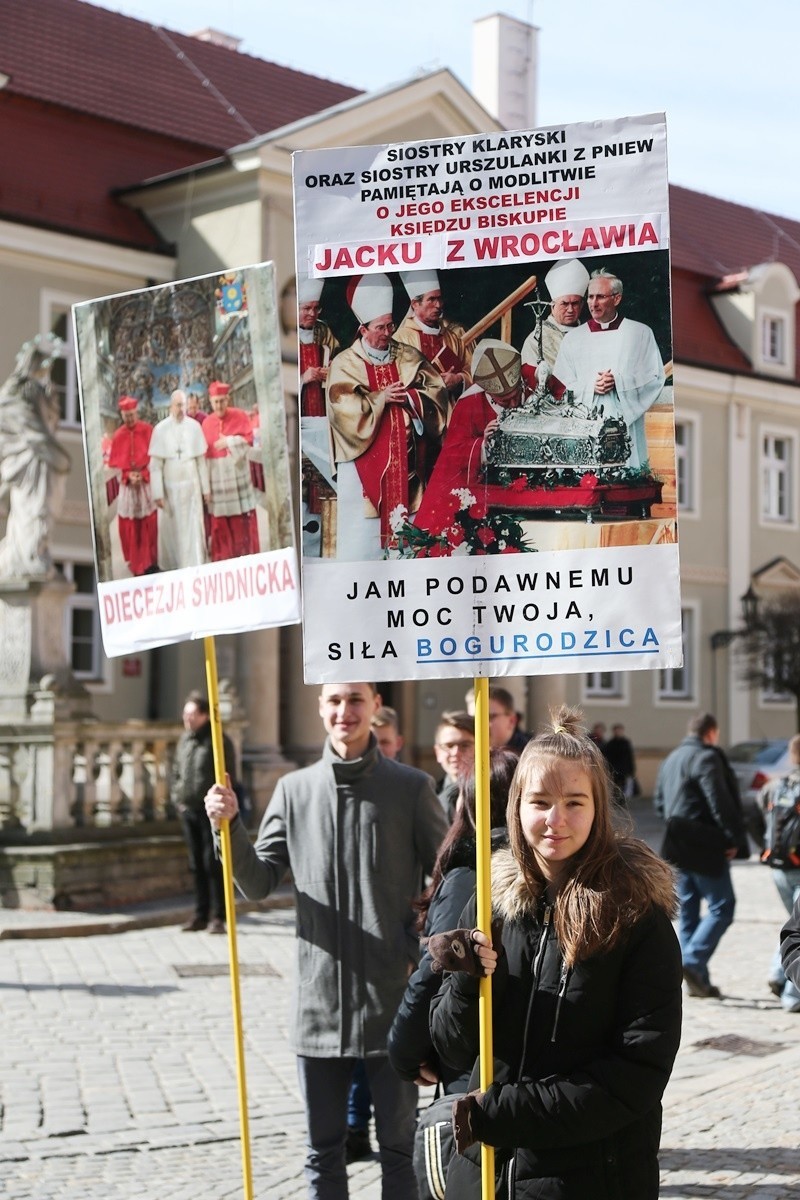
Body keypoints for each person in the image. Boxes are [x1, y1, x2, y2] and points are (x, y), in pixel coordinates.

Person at [204, 681, 448, 1200]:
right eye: (335, 700)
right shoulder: (294, 791)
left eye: (356, 700)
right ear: (320, 707)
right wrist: (227, 829)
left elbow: (448, 879)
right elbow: (258, 881)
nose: (345, 711)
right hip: (319, 1006)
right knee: (323, 1153)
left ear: (376, 708)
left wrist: (418, 949)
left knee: (401, 1151)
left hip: (394, 1004)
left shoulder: (411, 788)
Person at [428, 706, 682, 1200]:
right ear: (517, 806)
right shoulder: (490, 903)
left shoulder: (634, 917)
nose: (555, 820)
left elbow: (636, 1074)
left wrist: (502, 1112)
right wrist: (464, 977)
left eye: (574, 802)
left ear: (598, 809)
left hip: (591, 1178)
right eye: (540, 801)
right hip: (490, 1176)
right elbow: (451, 1050)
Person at [388, 749, 517, 1094]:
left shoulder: (468, 877)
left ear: (471, 804)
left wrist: (404, 1052)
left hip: (473, 1062)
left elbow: (437, 968)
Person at [326, 273, 448, 558]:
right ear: (362, 329)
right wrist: (380, 398)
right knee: (364, 544)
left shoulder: (407, 355)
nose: (387, 333)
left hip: (409, 462)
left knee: (410, 541)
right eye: (380, 327)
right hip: (362, 466)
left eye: (390, 325)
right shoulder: (345, 362)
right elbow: (341, 408)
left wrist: (412, 397)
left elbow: (436, 392)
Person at [654, 711, 748, 998]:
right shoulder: (706, 757)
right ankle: (692, 961)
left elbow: (659, 802)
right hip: (705, 845)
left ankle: (699, 983)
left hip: (676, 844)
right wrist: (734, 839)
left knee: (690, 912)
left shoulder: (671, 759)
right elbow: (719, 801)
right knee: (723, 905)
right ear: (711, 733)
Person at [551, 267, 665, 468]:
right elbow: (559, 386)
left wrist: (618, 382)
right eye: (590, 297)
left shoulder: (640, 333)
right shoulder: (573, 339)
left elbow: (654, 377)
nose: (593, 303)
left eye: (600, 297)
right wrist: (590, 386)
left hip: (626, 426)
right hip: (584, 427)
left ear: (617, 298)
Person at [412, 339, 523, 537]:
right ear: (487, 391)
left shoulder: (529, 379)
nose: (514, 403)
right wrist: (483, 444)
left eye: (516, 395)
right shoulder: (469, 405)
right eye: (505, 400)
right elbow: (452, 455)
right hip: (484, 487)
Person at [0, 334, 71, 578]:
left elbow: (48, 426)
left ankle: (36, 551)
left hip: (41, 461)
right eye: (43, 367)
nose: (46, 372)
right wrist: (53, 451)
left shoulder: (40, 391)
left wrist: (51, 404)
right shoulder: (16, 391)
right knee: (30, 509)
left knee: (44, 508)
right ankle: (28, 554)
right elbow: (26, 425)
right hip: (26, 462)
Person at [172, 692, 236, 935]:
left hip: (211, 814)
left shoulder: (218, 741)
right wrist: (177, 798)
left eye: (192, 715)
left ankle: (219, 916)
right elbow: (177, 770)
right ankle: (200, 913)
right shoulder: (185, 740)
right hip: (188, 809)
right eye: (185, 715)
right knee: (196, 864)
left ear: (205, 716)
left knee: (214, 863)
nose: (187, 720)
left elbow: (229, 775)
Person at [758, 733, 800, 1012]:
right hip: (798, 865)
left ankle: (776, 973)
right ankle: (792, 996)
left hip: (778, 864)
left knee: (793, 924)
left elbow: (761, 808)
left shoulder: (778, 784)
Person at [148, 389, 210, 571]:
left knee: (192, 529)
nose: (181, 409)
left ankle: (195, 563)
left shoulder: (194, 427)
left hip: (191, 489)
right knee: (171, 531)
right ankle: (172, 567)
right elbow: (155, 466)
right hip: (170, 492)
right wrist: (157, 492)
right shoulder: (160, 429)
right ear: (171, 406)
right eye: (177, 405)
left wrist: (206, 489)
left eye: (183, 405)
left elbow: (201, 462)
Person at [394, 269, 473, 406]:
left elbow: (472, 368)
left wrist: (459, 378)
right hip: (418, 413)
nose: (438, 305)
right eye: (431, 299)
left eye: (439, 298)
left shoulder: (452, 337)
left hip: (452, 409)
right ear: (415, 304)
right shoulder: (400, 339)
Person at [202, 380, 260, 561]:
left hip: (237, 475)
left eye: (222, 401)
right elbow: (203, 457)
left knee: (240, 519)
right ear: (210, 402)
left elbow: (249, 440)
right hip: (216, 476)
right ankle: (223, 558)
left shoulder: (240, 415)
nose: (219, 405)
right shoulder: (206, 423)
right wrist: (206, 488)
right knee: (220, 521)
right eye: (215, 402)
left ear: (228, 399)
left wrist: (229, 441)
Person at [107, 394, 157, 576]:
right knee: (132, 525)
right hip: (128, 487)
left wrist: (143, 475)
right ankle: (136, 562)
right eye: (126, 416)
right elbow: (116, 467)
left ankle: (150, 561)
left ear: (137, 413)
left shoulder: (148, 430)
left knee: (148, 523)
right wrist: (128, 476)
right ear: (122, 415)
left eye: (132, 415)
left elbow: (154, 459)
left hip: (145, 485)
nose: (129, 419)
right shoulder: (118, 435)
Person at [520, 256, 589, 386]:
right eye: (564, 304)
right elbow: (531, 380)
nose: (570, 309)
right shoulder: (536, 339)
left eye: (575, 303)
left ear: (582, 305)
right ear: (552, 305)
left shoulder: (590, 332)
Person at [298, 277, 340, 419]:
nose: (312, 313)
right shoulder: (287, 335)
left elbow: (339, 358)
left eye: (316, 308)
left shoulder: (323, 329)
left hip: (324, 403)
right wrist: (303, 378)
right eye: (306, 308)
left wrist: (332, 369)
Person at [432, 711, 476, 823]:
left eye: (465, 745)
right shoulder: (430, 796)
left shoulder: (495, 793)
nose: (456, 752)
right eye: (449, 746)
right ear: (438, 752)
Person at [488, 686, 531, 754]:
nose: (478, 725)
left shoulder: (530, 755)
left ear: (512, 721)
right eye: (472, 719)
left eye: (490, 717)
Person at [602, 722, 637, 803]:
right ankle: (616, 800)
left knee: (624, 786)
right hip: (613, 769)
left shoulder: (626, 743)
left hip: (624, 769)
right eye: (616, 730)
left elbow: (629, 757)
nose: (618, 732)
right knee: (614, 786)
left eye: (619, 730)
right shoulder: (610, 743)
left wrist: (631, 770)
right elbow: (607, 757)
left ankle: (622, 800)